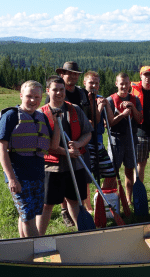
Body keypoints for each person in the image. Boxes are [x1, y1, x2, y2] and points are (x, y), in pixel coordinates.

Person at [0, 81, 60, 238]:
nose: (33, 100)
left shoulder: (42, 117)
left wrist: (57, 122)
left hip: (37, 173)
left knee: (26, 215)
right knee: (29, 219)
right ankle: (40, 254)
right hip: (19, 175)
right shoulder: (10, 116)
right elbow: (1, 148)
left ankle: (25, 248)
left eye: (37, 97)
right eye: (29, 96)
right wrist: (11, 178)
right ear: (21, 96)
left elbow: (53, 146)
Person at [39, 76, 92, 235]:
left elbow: (87, 132)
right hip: (52, 167)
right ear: (48, 91)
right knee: (47, 204)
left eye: (62, 89)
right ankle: (38, 237)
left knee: (75, 201)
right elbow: (44, 145)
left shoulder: (74, 109)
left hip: (74, 165)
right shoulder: (41, 114)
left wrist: (79, 144)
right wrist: (66, 152)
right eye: (55, 89)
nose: (59, 93)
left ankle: (82, 233)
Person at [106, 72, 143, 207]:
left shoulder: (135, 99)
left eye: (127, 83)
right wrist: (122, 115)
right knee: (113, 172)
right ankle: (112, 199)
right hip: (115, 140)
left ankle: (128, 200)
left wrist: (132, 108)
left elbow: (139, 119)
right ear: (116, 84)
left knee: (129, 170)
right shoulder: (110, 100)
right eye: (122, 83)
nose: (124, 86)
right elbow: (108, 123)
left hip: (131, 138)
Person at [83, 71, 116, 212]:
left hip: (98, 142)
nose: (94, 86)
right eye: (91, 82)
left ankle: (100, 198)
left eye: (96, 83)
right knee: (87, 177)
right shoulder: (81, 99)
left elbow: (111, 120)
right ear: (84, 83)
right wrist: (99, 107)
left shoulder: (102, 98)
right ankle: (88, 207)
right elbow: (92, 122)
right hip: (85, 142)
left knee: (110, 172)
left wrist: (106, 105)